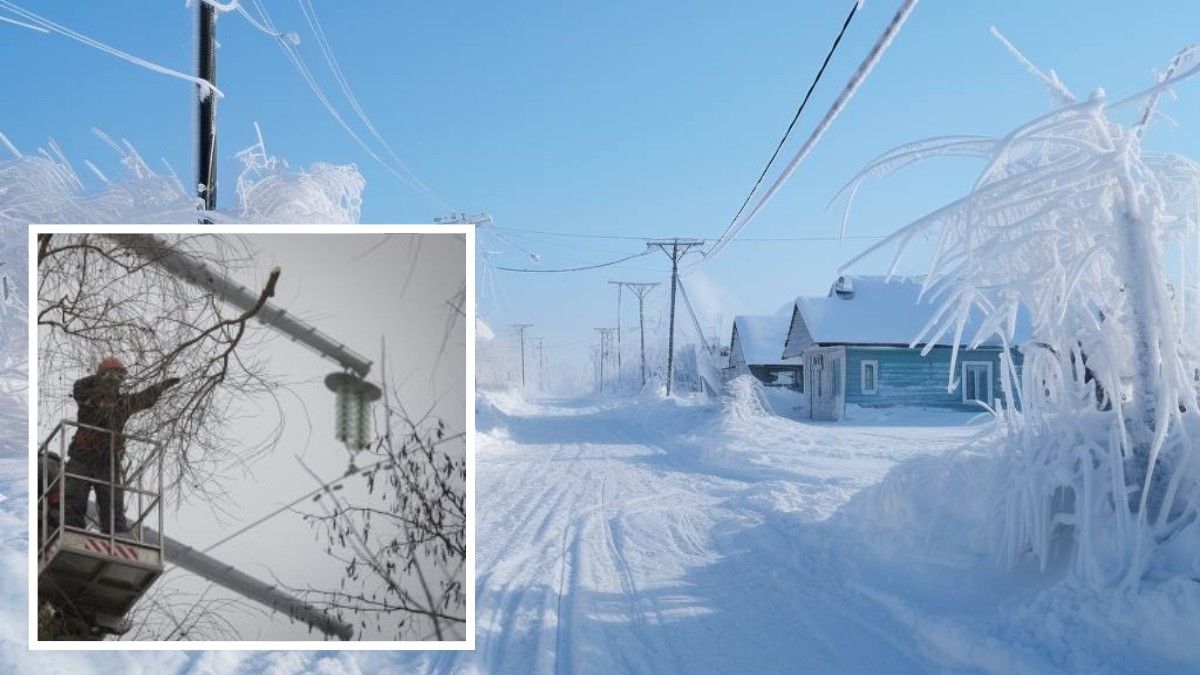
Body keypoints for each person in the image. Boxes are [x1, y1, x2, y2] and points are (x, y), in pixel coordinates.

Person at [63, 357, 179, 535]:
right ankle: (72, 532)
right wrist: (100, 377)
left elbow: (143, 399)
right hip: (82, 457)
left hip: (107, 461)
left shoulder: (122, 404)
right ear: (100, 378)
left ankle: (116, 536)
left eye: (118, 377)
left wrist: (158, 388)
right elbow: (79, 387)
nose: (113, 381)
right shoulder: (87, 396)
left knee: (112, 504)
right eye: (109, 376)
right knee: (74, 498)